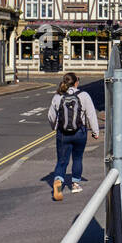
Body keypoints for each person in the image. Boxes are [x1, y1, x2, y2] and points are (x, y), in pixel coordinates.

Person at [47, 72, 99, 201]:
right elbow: (91, 114)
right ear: (76, 83)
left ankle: (58, 180)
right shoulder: (84, 95)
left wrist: (54, 126)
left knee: (62, 160)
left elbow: (51, 116)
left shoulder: (58, 96)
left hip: (63, 133)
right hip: (79, 132)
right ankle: (75, 184)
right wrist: (95, 131)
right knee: (77, 158)